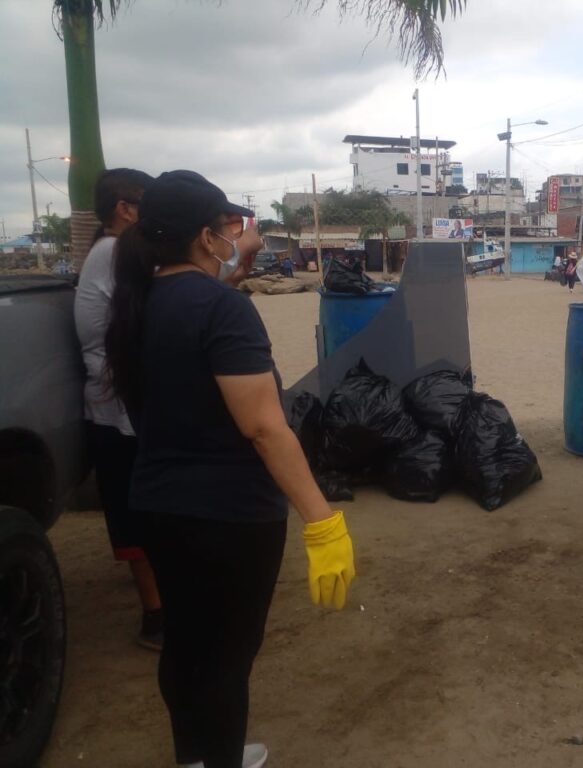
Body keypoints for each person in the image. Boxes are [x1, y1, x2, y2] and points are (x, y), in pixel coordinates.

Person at [105, 170, 355, 768]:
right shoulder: (221, 309)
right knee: (227, 657)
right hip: (230, 516)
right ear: (205, 236)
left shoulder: (136, 302)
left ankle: (194, 756)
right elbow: (264, 426)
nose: (237, 235)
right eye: (231, 225)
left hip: (158, 504)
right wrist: (321, 520)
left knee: (186, 643)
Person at [74, 168, 164, 650]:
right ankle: (156, 618)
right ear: (125, 209)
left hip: (124, 403)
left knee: (145, 511)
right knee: (137, 516)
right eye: (148, 204)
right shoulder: (113, 253)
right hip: (119, 410)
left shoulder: (110, 252)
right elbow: (157, 313)